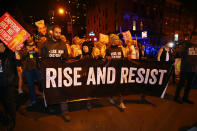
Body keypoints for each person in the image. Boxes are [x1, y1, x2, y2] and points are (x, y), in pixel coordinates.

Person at [40, 25, 70, 120]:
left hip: (61, 72)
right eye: (56, 32)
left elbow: (66, 58)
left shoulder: (63, 44)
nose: (58, 34)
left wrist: (64, 58)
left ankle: (65, 112)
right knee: (52, 90)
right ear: (52, 32)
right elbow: (42, 58)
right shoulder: (45, 44)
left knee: (62, 91)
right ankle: (52, 107)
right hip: (50, 73)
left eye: (60, 32)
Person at [0, 41, 20, 130]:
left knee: (9, 103)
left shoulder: (10, 52)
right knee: (3, 103)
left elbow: (18, 63)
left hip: (8, 82)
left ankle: (12, 120)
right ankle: (4, 119)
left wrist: (17, 52)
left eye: (1, 44)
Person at [20, 36, 43, 107]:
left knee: (40, 81)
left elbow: (42, 54)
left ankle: (41, 92)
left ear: (32, 37)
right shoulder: (23, 46)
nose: (28, 38)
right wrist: (27, 51)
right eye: (27, 37)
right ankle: (33, 100)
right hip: (27, 69)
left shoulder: (38, 44)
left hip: (37, 67)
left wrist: (37, 51)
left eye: (29, 37)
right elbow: (21, 56)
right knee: (30, 85)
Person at [106, 34, 126, 111]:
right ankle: (111, 96)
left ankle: (121, 103)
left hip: (119, 71)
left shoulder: (120, 49)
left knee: (119, 87)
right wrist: (107, 58)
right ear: (113, 40)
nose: (119, 40)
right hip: (111, 72)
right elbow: (105, 62)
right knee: (112, 86)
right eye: (117, 39)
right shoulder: (108, 50)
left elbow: (123, 59)